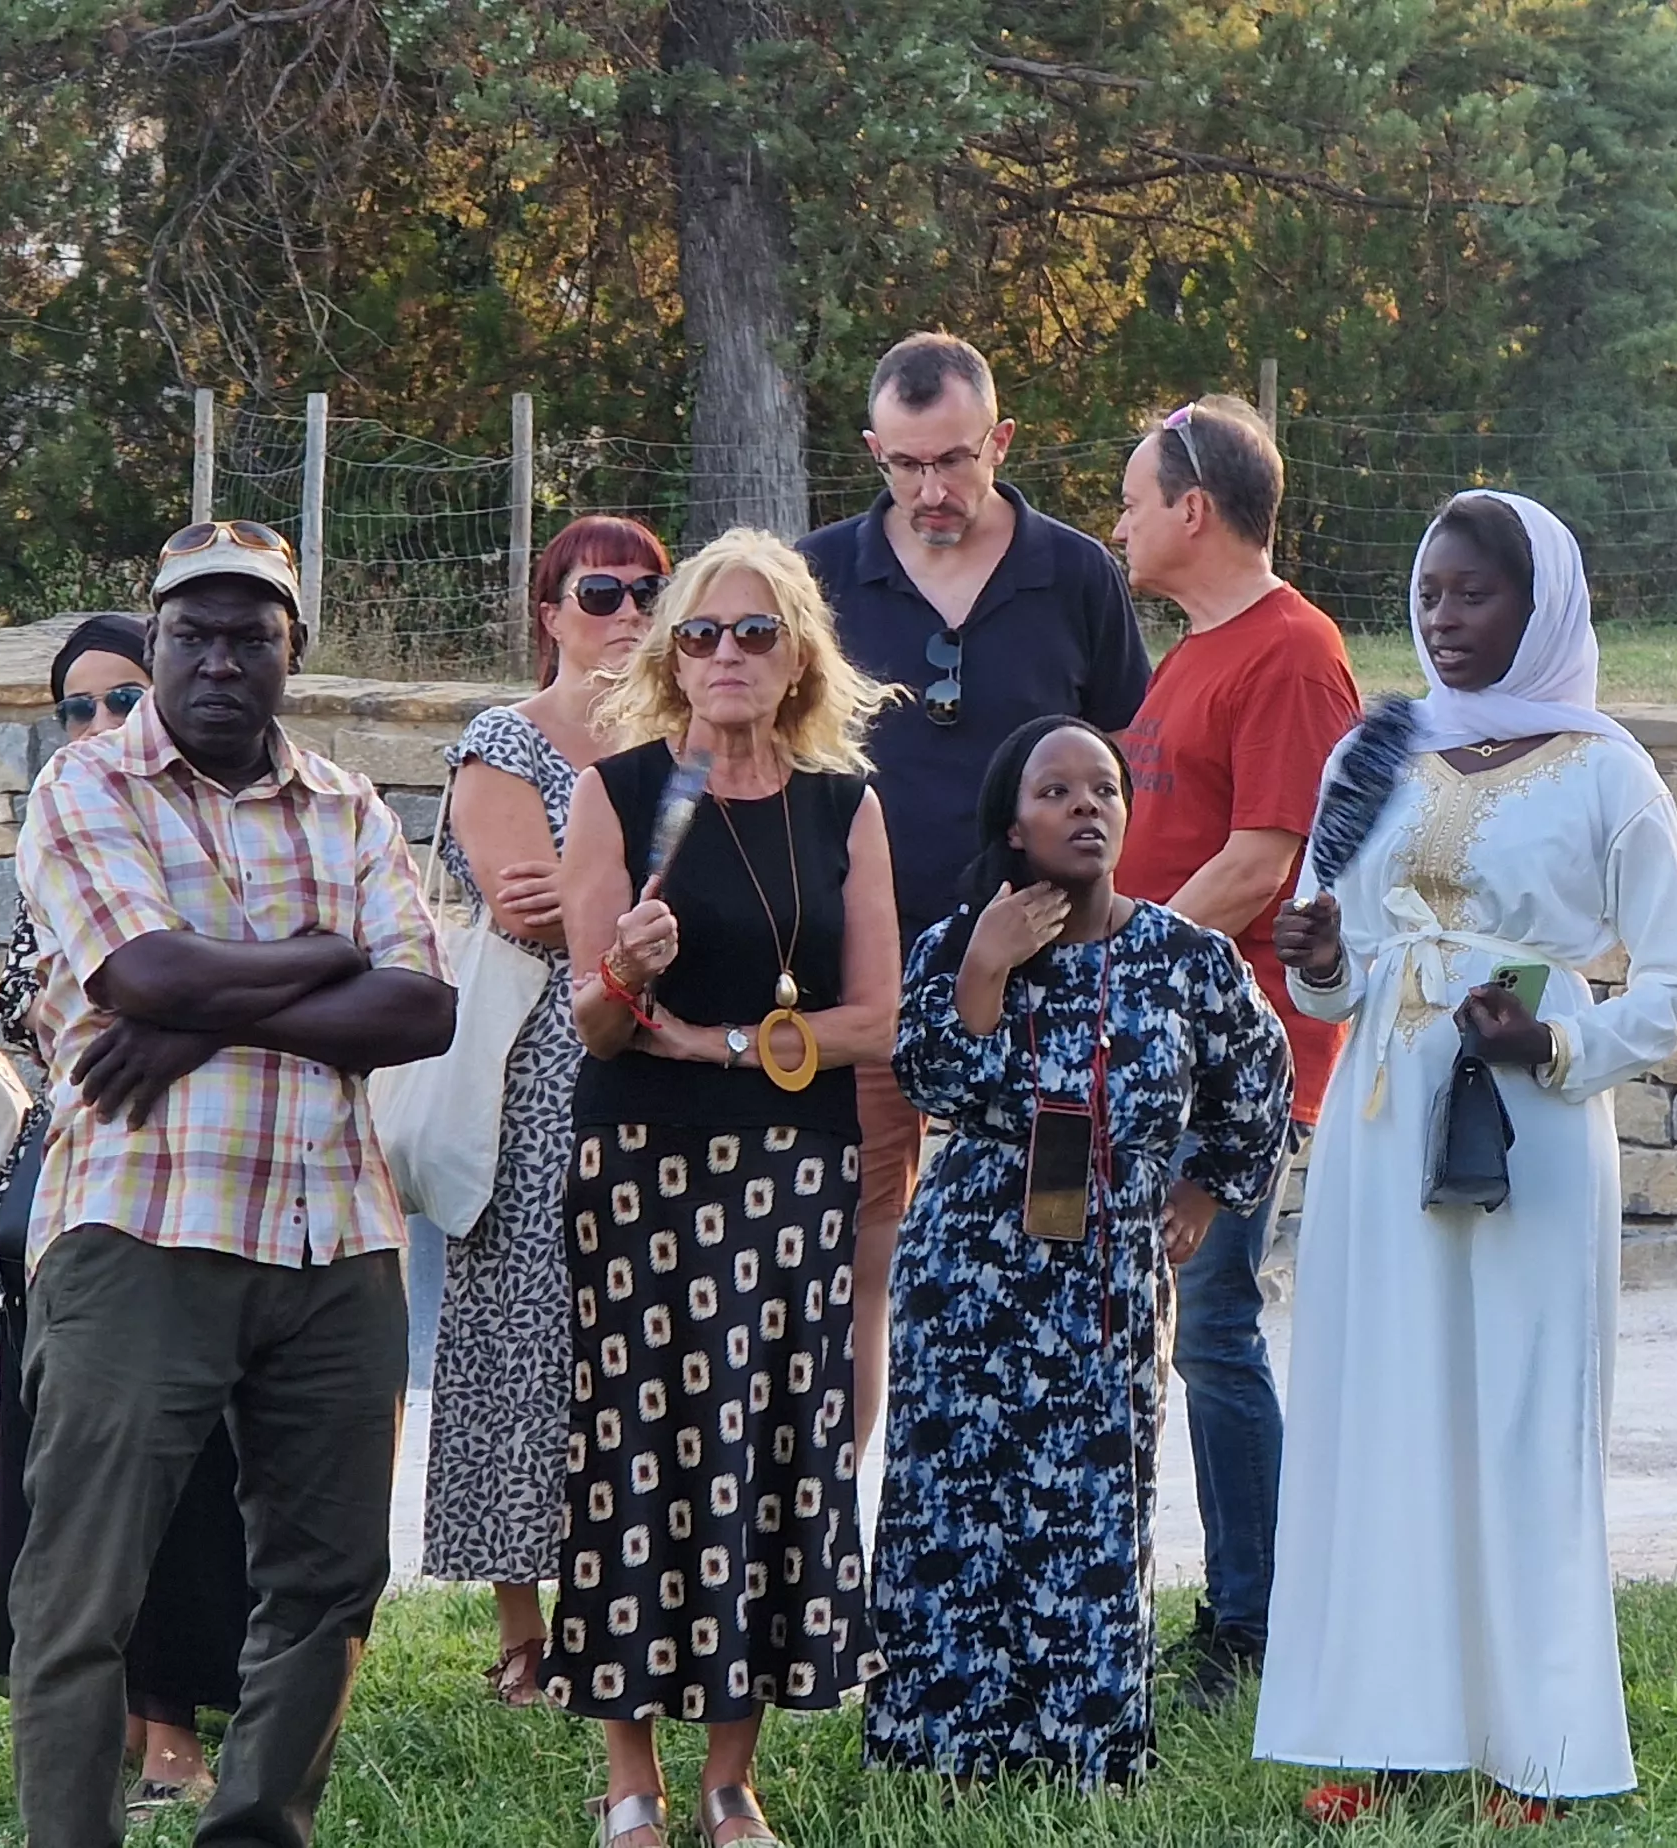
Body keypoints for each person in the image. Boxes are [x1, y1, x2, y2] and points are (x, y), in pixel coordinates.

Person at [1253, 492, 1677, 1820]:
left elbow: (1676, 990)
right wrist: (1326, 964)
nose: (1445, 621)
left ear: (1543, 607)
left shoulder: (1610, 772)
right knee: (1383, 1410)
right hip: (1385, 1121)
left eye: (1477, 596)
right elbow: (1329, 964)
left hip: (1533, 1122)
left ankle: (1544, 1751)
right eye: (1433, 594)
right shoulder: (1375, 748)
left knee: (1520, 1423)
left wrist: (1554, 1048)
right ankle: (1387, 1732)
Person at [6, 520, 457, 1848]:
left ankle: (256, 1830)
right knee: (84, 1590)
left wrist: (211, 1006)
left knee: (329, 1583)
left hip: (338, 1243)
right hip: (143, 1226)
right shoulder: (87, 786)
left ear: (290, 652)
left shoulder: (352, 805)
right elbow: (143, 977)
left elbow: (424, 1009)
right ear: (153, 644)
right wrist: (324, 955)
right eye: (190, 633)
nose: (216, 659)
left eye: (248, 634)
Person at [548, 528, 903, 1848]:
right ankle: (631, 1779)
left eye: (755, 633)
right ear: (670, 656)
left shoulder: (840, 805)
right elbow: (591, 1025)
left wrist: (741, 1042)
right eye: (701, 634)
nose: (728, 656)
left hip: (787, 1170)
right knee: (634, 1449)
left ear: (801, 652)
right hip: (641, 1166)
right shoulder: (619, 792)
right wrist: (632, 973)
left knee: (766, 1451)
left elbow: (879, 1017)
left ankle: (729, 1782)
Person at [863, 715, 1293, 1785]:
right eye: (1055, 792)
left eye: (1103, 790)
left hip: (1105, 1274)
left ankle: (1083, 1749)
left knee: (1095, 1508)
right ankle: (940, 1750)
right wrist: (984, 973)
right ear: (1012, 824)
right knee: (951, 1505)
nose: (1086, 807)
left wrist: (1204, 1186)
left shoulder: (1182, 957)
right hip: (968, 1272)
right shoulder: (960, 942)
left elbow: (1261, 1082)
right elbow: (929, 1079)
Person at [797, 331, 1153, 1455]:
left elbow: (1127, 758)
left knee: (1054, 1221)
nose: (931, 490)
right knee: (862, 1237)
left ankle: (1041, 1467)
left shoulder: (1077, 573)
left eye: (953, 459)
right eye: (905, 466)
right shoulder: (817, 577)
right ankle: (845, 1519)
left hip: (1047, 970)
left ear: (1000, 438)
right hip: (865, 969)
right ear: (873, 453)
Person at [1102, 393, 1363, 1703]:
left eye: (1136, 499)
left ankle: (1254, 1620)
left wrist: (1116, 957)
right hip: (1163, 1031)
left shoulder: (1293, 654)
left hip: (1236, 1050)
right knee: (1174, 1324)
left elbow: (1267, 859)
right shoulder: (1194, 649)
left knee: (1211, 1324)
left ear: (1193, 511)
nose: (1121, 522)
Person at [0, 612, 257, 1818]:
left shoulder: (214, 821)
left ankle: (176, 1730)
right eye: (73, 708)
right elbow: (47, 1009)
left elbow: (228, 960)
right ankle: (86, 1745)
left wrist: (181, 1002)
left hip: (225, 1190)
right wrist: (176, 993)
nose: (93, 725)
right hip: (93, 1194)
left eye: (115, 699)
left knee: (193, 1486)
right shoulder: (66, 824)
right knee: (82, 1494)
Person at [431, 513, 671, 1710]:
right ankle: (526, 1633)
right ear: (548, 612)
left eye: (645, 592)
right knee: (525, 1343)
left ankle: (620, 1611)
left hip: (665, 1075)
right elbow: (520, 909)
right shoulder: (502, 738)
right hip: (536, 1087)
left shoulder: (693, 740)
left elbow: (585, 897)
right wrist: (626, 899)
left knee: (637, 1344)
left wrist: (583, 886)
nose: (625, 613)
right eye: (598, 593)